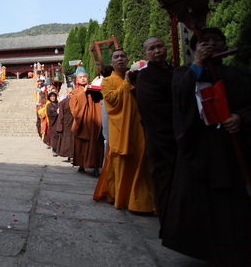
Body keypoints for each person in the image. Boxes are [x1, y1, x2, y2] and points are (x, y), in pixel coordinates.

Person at [162, 28, 251, 264]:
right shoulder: (185, 73)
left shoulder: (238, 73)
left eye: (216, 40)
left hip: (229, 145)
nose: (211, 45)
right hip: (199, 145)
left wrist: (241, 117)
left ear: (225, 44)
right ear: (194, 47)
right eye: (205, 41)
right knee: (198, 200)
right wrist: (198, 63)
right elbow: (180, 98)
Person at [94, 49, 155, 213]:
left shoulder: (138, 78)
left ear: (128, 60)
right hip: (119, 128)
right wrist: (127, 83)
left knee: (140, 162)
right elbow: (112, 100)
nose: (120, 59)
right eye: (116, 57)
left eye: (122, 56)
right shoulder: (107, 82)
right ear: (111, 62)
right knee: (121, 163)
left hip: (138, 127)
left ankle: (140, 201)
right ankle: (120, 196)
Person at [135, 37, 176, 236]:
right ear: (146, 54)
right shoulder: (145, 76)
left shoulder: (175, 71)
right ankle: (168, 224)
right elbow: (152, 108)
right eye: (152, 48)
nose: (157, 51)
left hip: (180, 135)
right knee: (164, 180)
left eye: (160, 46)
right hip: (160, 137)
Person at [70, 72, 104, 176]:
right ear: (77, 80)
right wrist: (84, 92)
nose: (83, 79)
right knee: (82, 145)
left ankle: (96, 167)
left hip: (95, 121)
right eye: (80, 77)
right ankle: (81, 164)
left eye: (84, 77)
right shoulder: (75, 92)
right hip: (83, 123)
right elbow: (74, 109)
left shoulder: (94, 91)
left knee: (96, 143)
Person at [56, 87, 74, 159]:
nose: (71, 95)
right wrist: (60, 125)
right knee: (67, 140)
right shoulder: (63, 102)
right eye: (70, 93)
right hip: (66, 123)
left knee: (73, 140)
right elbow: (61, 114)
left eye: (73, 93)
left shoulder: (76, 101)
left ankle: (72, 155)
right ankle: (69, 155)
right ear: (67, 93)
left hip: (74, 122)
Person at [46, 92, 60, 156]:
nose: (53, 98)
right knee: (53, 137)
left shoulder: (59, 104)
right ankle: (54, 150)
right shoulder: (49, 106)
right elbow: (49, 115)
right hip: (53, 123)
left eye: (54, 96)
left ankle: (59, 150)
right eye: (51, 97)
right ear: (49, 98)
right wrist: (56, 113)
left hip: (59, 122)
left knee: (59, 136)